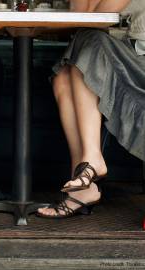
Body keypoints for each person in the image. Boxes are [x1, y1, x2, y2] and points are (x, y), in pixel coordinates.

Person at [37, 0, 145, 218]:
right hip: (126, 51)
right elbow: (82, 14)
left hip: (139, 57)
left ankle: (92, 161)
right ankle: (84, 183)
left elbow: (93, 19)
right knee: (63, 78)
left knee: (89, 42)